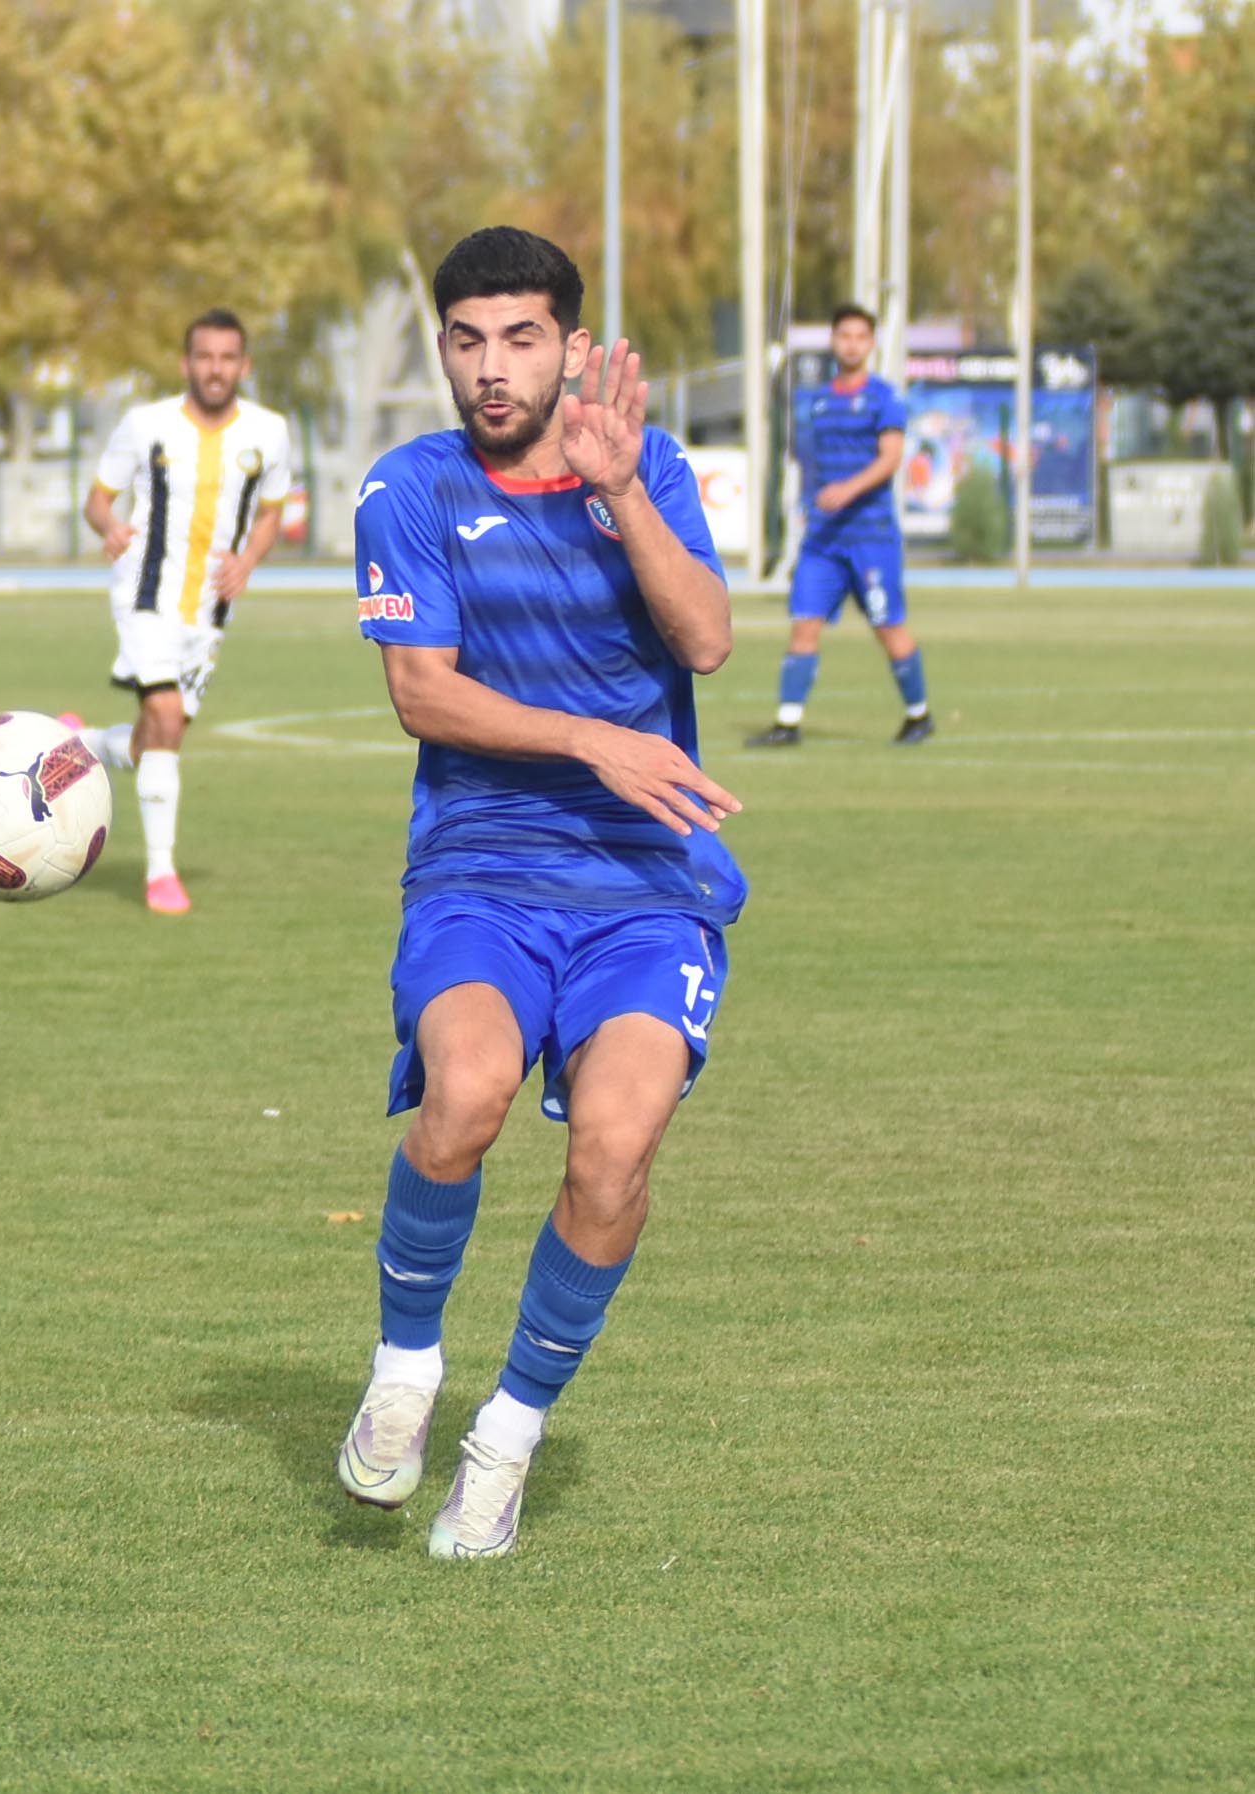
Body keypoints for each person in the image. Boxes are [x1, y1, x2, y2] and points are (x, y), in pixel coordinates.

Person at [338, 227, 746, 1561]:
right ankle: (403, 1368)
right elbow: (420, 691)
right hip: (482, 864)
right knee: (461, 1096)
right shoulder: (404, 487)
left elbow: (705, 638)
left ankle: (504, 1436)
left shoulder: (649, 465)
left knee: (611, 1150)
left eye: (519, 337)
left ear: (572, 345)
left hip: (644, 883)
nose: (489, 367)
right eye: (466, 340)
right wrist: (592, 739)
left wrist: (624, 494)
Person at [70, 309, 293, 915]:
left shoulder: (270, 432)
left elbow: (273, 509)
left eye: (227, 358)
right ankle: (161, 875)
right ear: (185, 364)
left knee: (157, 740)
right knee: (165, 714)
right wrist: (109, 527)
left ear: (243, 367)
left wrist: (247, 561)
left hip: (209, 610)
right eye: (204, 357)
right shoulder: (145, 425)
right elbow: (97, 500)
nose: (215, 369)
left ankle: (81, 746)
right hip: (145, 595)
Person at [749, 302, 932, 747]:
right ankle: (787, 723)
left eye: (859, 337)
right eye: (844, 336)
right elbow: (809, 464)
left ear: (870, 345)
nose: (851, 344)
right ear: (834, 341)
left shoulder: (884, 398)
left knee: (888, 627)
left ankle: (918, 714)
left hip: (870, 536)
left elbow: (890, 460)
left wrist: (846, 491)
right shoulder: (817, 403)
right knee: (804, 621)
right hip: (823, 540)